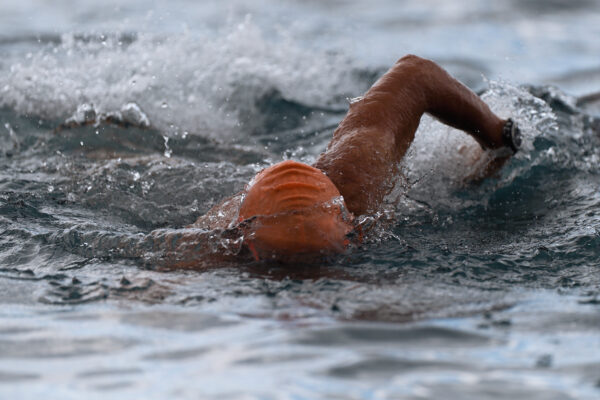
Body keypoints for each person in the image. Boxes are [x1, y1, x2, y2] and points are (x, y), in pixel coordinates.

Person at [167, 55, 521, 264]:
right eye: (298, 266)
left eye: (326, 260)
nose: (318, 278)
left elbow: (416, 75)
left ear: (353, 228)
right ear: (245, 244)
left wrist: (498, 137)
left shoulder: (358, 182)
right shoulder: (210, 250)